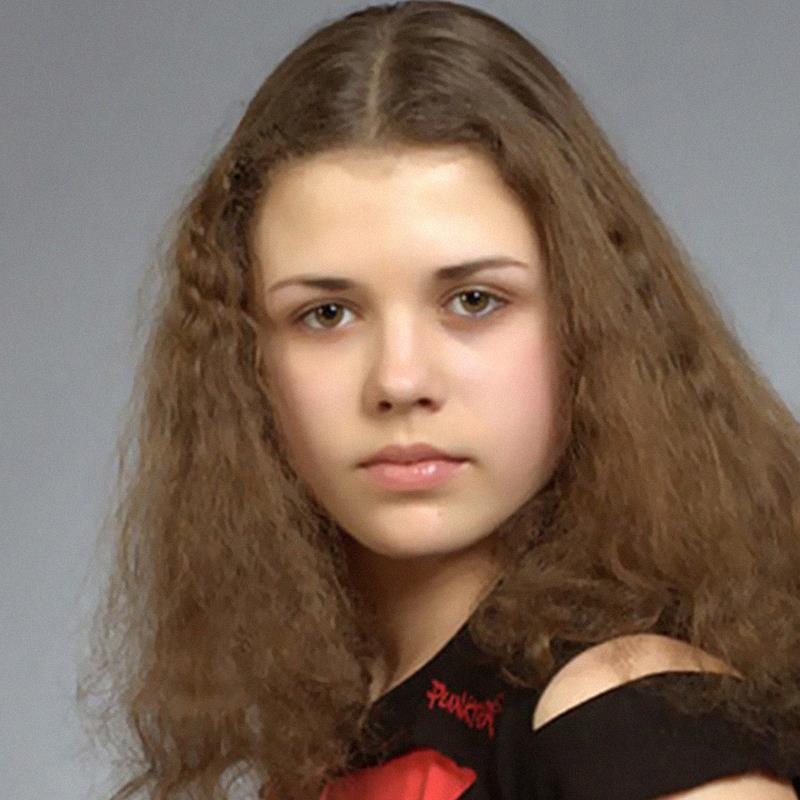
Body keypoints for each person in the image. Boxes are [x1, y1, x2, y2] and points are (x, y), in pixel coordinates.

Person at [76, 2, 800, 799]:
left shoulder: (630, 714)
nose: (399, 380)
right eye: (327, 314)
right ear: (243, 360)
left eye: (474, 301)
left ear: (593, 322)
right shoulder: (341, 725)